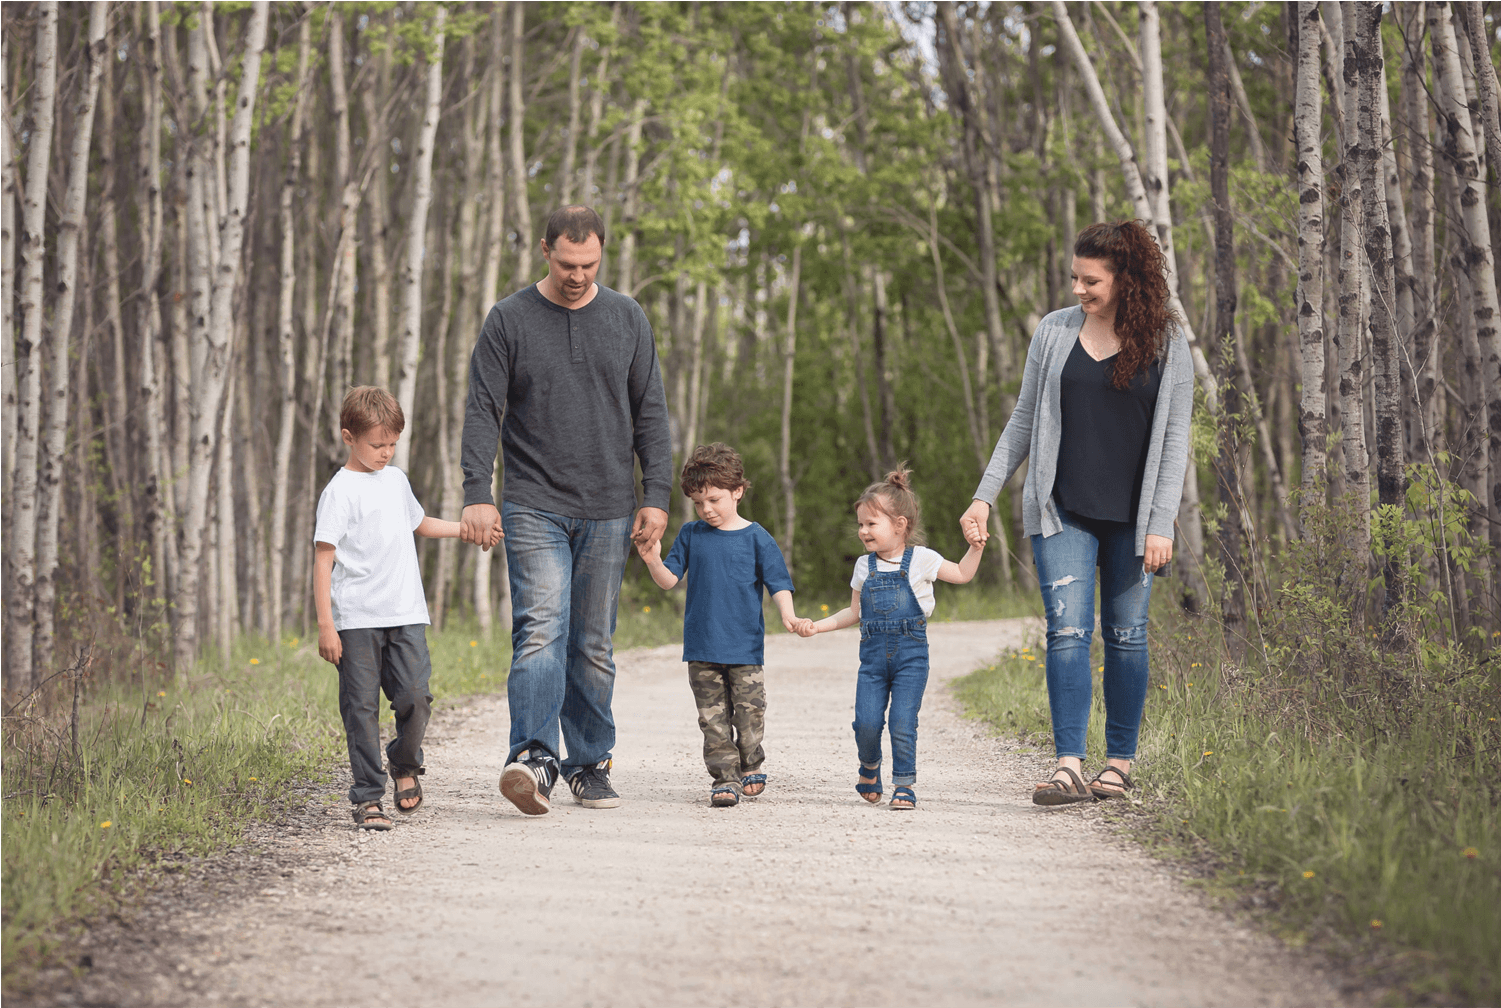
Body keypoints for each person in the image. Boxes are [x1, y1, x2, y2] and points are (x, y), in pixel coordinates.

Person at [959, 220, 1195, 806]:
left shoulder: (1168, 342)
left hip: (1136, 522)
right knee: (1067, 631)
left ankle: (1118, 765)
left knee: (1127, 637)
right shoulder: (1054, 333)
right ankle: (1067, 765)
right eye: (1074, 278)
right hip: (1062, 510)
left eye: (1091, 280)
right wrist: (983, 494)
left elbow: (1174, 441)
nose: (1078, 290)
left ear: (1126, 280)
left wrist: (1162, 522)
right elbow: (1023, 419)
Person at [459, 205, 673, 816]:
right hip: (533, 501)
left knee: (594, 643)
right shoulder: (509, 319)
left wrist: (655, 495)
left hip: (609, 505)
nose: (577, 275)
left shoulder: (627, 317)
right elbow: (482, 410)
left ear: (601, 253)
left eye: (590, 264)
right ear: (545, 252)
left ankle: (588, 764)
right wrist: (479, 490)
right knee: (541, 631)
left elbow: (650, 413)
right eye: (566, 263)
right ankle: (532, 757)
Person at [315, 386, 496, 829]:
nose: (386, 452)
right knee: (360, 708)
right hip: (357, 619)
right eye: (378, 444)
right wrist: (326, 625)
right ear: (348, 437)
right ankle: (367, 795)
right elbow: (323, 560)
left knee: (416, 696)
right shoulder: (339, 492)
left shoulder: (396, 480)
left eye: (392, 443)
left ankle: (404, 763)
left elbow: (420, 523)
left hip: (406, 613)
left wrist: (465, 529)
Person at [800, 467, 985, 810]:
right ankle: (869, 767)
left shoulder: (923, 560)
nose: (863, 531)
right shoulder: (863, 566)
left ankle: (904, 785)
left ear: (899, 525)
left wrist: (974, 548)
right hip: (871, 660)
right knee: (866, 723)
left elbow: (961, 573)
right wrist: (819, 626)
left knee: (902, 722)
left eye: (871, 523)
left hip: (911, 658)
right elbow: (853, 611)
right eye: (860, 524)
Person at [636, 443, 811, 808]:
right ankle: (725, 778)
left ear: (738, 491)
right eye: (699, 503)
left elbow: (778, 581)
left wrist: (788, 615)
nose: (707, 509)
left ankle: (750, 765)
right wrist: (653, 559)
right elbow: (669, 579)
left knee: (749, 714)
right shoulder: (691, 535)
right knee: (712, 720)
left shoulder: (757, 538)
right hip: (702, 647)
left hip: (745, 648)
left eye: (714, 499)